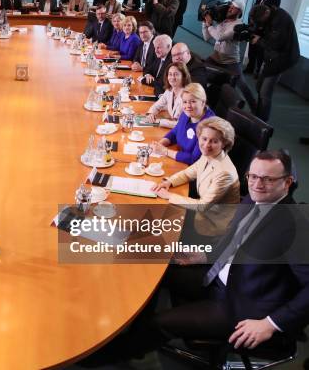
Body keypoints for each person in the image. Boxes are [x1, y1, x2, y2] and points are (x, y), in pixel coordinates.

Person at [80, 150, 308, 366]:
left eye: (268, 179)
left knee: (159, 324)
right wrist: (205, 255)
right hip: (218, 277)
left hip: (242, 307)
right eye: (253, 176)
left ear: (287, 183)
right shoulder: (252, 199)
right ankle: (123, 323)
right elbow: (234, 241)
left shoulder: (296, 226)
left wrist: (271, 323)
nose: (258, 184)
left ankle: (106, 354)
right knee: (156, 267)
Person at [152, 116, 240, 209]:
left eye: (214, 141)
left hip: (212, 220)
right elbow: (188, 173)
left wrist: (169, 196)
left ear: (224, 143)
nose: (206, 145)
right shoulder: (208, 155)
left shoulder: (224, 173)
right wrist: (169, 182)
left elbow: (202, 206)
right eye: (204, 139)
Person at [248, 4, 300, 121]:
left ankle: (261, 122)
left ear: (266, 13)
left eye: (260, 21)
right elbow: (264, 31)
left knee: (265, 91)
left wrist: (259, 40)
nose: (260, 23)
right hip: (271, 57)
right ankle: (259, 112)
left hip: (282, 59)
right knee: (259, 86)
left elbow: (276, 44)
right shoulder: (269, 15)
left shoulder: (281, 20)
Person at [202, 0, 254, 106]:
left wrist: (210, 24)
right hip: (216, 57)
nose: (230, 9)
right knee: (200, 71)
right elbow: (207, 37)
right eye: (230, 6)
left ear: (239, 12)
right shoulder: (222, 21)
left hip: (231, 61)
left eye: (233, 8)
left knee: (242, 85)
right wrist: (205, 24)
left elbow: (219, 37)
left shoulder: (237, 25)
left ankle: (256, 109)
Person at [150, 83, 215, 165]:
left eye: (193, 101)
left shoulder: (209, 127)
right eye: (185, 102)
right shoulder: (186, 114)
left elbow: (194, 158)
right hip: (181, 159)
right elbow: (175, 132)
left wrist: (165, 151)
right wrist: (160, 144)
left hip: (195, 170)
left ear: (203, 102)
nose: (188, 105)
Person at [245, 0, 281, 77]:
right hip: (254, 28)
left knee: (260, 51)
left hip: (264, 30)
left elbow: (272, 15)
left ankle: (257, 70)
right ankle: (250, 67)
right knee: (251, 48)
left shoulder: (276, 0)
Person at [145, 62, 191, 128]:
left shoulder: (188, 95)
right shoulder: (169, 91)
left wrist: (160, 122)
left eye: (176, 74)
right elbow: (157, 106)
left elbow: (182, 124)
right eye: (170, 74)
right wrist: (151, 114)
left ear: (183, 76)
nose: (172, 77)